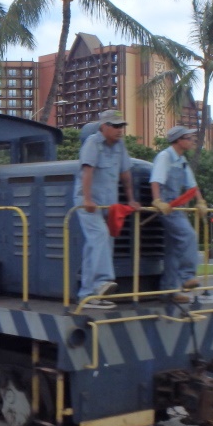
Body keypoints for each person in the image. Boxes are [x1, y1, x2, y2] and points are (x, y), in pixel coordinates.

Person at [74, 110, 140, 309]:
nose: (120, 130)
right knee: (100, 236)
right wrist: (87, 199)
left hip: (109, 204)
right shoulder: (93, 144)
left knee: (100, 245)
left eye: (122, 126)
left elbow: (126, 175)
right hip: (88, 203)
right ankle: (102, 283)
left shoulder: (120, 146)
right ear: (104, 126)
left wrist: (131, 200)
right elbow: (88, 172)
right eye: (116, 126)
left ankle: (87, 294)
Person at [150, 125, 208, 303]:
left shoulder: (181, 160)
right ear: (178, 140)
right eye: (189, 138)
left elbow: (192, 185)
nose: (192, 141)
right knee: (188, 235)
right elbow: (156, 180)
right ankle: (187, 276)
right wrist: (158, 201)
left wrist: (200, 201)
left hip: (177, 208)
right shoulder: (165, 157)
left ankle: (169, 290)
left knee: (173, 249)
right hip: (167, 207)